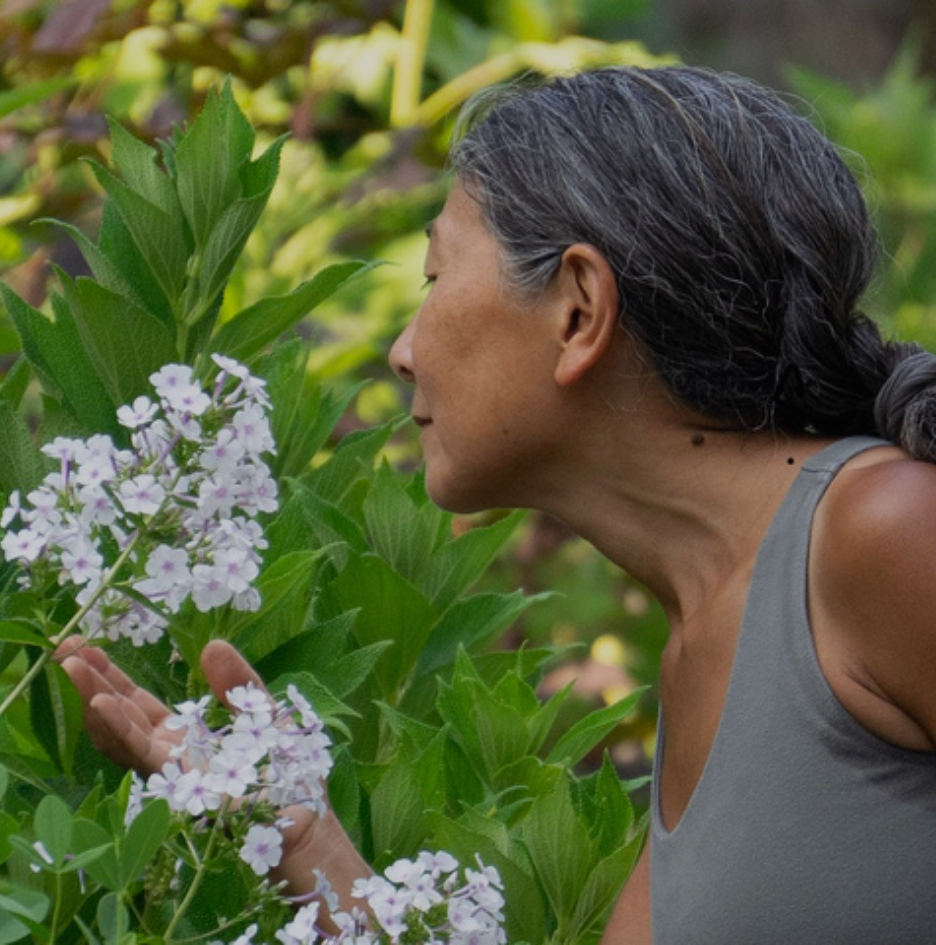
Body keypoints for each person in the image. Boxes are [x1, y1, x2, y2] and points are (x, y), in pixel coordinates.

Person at [61, 65, 936, 943]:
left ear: (578, 310)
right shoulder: (715, 631)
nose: (403, 351)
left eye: (435, 276)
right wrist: (306, 844)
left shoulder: (888, 532)